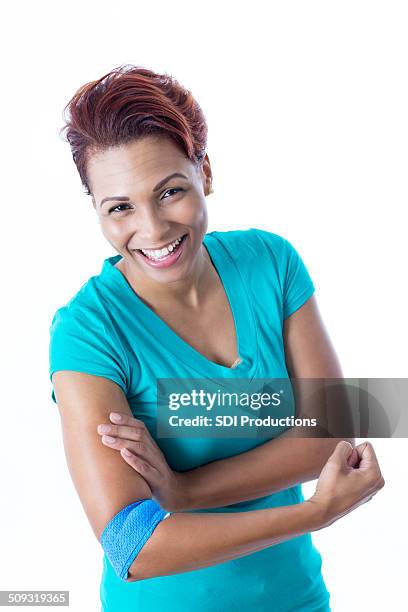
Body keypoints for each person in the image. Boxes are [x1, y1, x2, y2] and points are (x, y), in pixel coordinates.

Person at [48, 64, 385, 612]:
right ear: (96, 210)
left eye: (170, 191)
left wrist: (184, 492)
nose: (153, 230)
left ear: (205, 171)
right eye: (120, 208)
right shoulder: (87, 332)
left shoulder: (270, 264)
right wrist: (316, 512)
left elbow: (330, 433)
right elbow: (131, 544)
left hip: (296, 598)